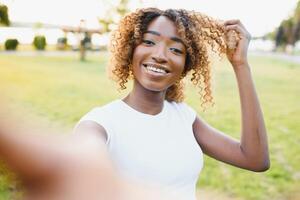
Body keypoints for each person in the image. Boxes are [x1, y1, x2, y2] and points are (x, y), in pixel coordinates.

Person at [0, 7, 269, 200]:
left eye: (176, 49)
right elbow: (83, 160)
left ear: (186, 66)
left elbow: (255, 158)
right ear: (131, 52)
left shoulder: (184, 117)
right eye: (149, 42)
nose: (160, 55)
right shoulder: (100, 124)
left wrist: (241, 64)